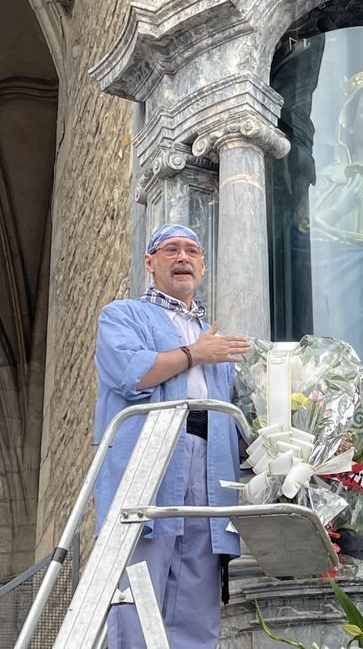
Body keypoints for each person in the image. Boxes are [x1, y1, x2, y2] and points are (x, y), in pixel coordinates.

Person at [94, 223, 251, 648]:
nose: (183, 257)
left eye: (192, 251)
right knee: (138, 587)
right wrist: (195, 353)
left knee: (198, 594)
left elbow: (240, 419)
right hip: (151, 462)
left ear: (201, 265)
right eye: (171, 250)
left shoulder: (218, 342)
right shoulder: (123, 315)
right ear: (150, 262)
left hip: (211, 465)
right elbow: (131, 374)